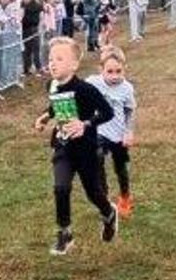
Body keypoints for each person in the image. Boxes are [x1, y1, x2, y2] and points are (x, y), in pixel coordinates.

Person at [34, 33, 117, 257]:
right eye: (51, 59)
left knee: (93, 193)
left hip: (86, 150)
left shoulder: (85, 89)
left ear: (74, 64)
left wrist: (85, 124)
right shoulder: (52, 85)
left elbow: (107, 112)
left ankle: (109, 213)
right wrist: (45, 117)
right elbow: (56, 104)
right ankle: (65, 233)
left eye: (59, 59)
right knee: (61, 188)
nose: (53, 63)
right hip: (63, 147)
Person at [95, 47, 137, 217]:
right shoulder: (93, 83)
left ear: (124, 68)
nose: (114, 76)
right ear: (101, 69)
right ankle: (104, 197)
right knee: (97, 156)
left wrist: (129, 131)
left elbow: (130, 111)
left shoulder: (126, 88)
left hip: (119, 134)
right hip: (100, 130)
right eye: (110, 72)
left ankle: (125, 196)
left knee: (120, 167)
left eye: (118, 71)